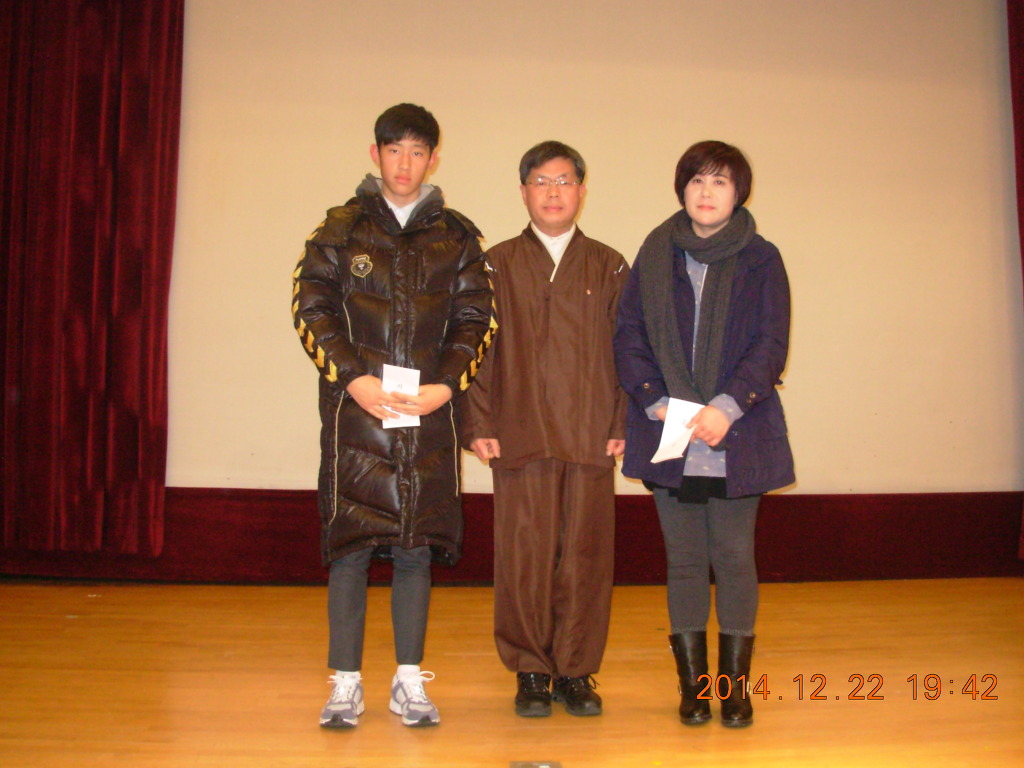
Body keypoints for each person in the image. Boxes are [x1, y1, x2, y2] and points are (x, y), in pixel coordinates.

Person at [291, 103, 493, 729]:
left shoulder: (458, 237)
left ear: (433, 159)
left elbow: (476, 319)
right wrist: (353, 378)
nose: (405, 163)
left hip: (426, 415)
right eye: (394, 149)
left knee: (415, 549)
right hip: (356, 415)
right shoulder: (338, 230)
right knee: (350, 547)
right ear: (375, 154)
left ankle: (409, 680)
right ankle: (344, 684)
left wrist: (445, 387)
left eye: (417, 151)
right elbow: (311, 307)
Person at [614, 140, 794, 728]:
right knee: (686, 561)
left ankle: (734, 690)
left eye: (720, 181)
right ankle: (693, 689)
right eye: (697, 180)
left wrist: (725, 407)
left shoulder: (761, 258)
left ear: (739, 192)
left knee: (734, 558)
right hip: (668, 431)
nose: (707, 191)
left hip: (736, 432)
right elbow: (628, 335)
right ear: (682, 189)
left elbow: (770, 345)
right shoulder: (654, 252)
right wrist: (656, 400)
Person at [460, 141, 629, 717]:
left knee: (586, 555)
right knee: (524, 555)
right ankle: (531, 668)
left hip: (590, 431)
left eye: (563, 181)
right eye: (541, 181)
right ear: (523, 191)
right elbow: (474, 349)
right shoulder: (495, 265)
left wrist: (622, 420)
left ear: (581, 190)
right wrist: (477, 420)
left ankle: (576, 670)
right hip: (518, 430)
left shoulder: (609, 265)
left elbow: (631, 350)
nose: (553, 192)